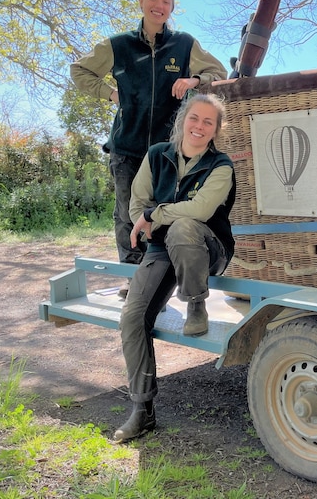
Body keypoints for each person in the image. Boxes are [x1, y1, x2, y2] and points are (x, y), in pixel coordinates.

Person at [71, 0, 227, 298]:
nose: (159, 6)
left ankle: (160, 280)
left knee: (163, 212)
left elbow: (220, 72)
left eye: (166, 2)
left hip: (167, 152)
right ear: (142, 2)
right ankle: (134, 279)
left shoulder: (184, 44)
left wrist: (194, 80)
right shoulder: (119, 46)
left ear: (171, 9)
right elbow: (79, 71)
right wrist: (110, 93)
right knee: (128, 213)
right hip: (126, 147)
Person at [113, 93, 236, 442]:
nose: (199, 126)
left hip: (206, 246)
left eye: (208, 122)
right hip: (161, 248)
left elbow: (200, 210)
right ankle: (142, 410)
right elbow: (138, 201)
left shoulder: (221, 165)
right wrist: (146, 217)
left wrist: (156, 215)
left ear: (215, 130)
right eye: (195, 118)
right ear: (183, 118)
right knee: (132, 317)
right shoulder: (157, 155)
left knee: (183, 227)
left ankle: (195, 303)